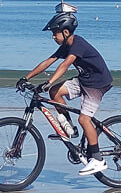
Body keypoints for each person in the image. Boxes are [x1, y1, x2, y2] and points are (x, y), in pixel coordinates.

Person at [16, 12, 113, 176]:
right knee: (55, 92)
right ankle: (69, 129)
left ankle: (98, 159)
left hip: (97, 84)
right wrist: (26, 77)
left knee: (84, 119)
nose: (53, 36)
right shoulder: (66, 45)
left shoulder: (78, 44)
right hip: (84, 80)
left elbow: (66, 64)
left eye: (55, 33)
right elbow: (48, 61)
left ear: (66, 32)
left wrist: (49, 82)